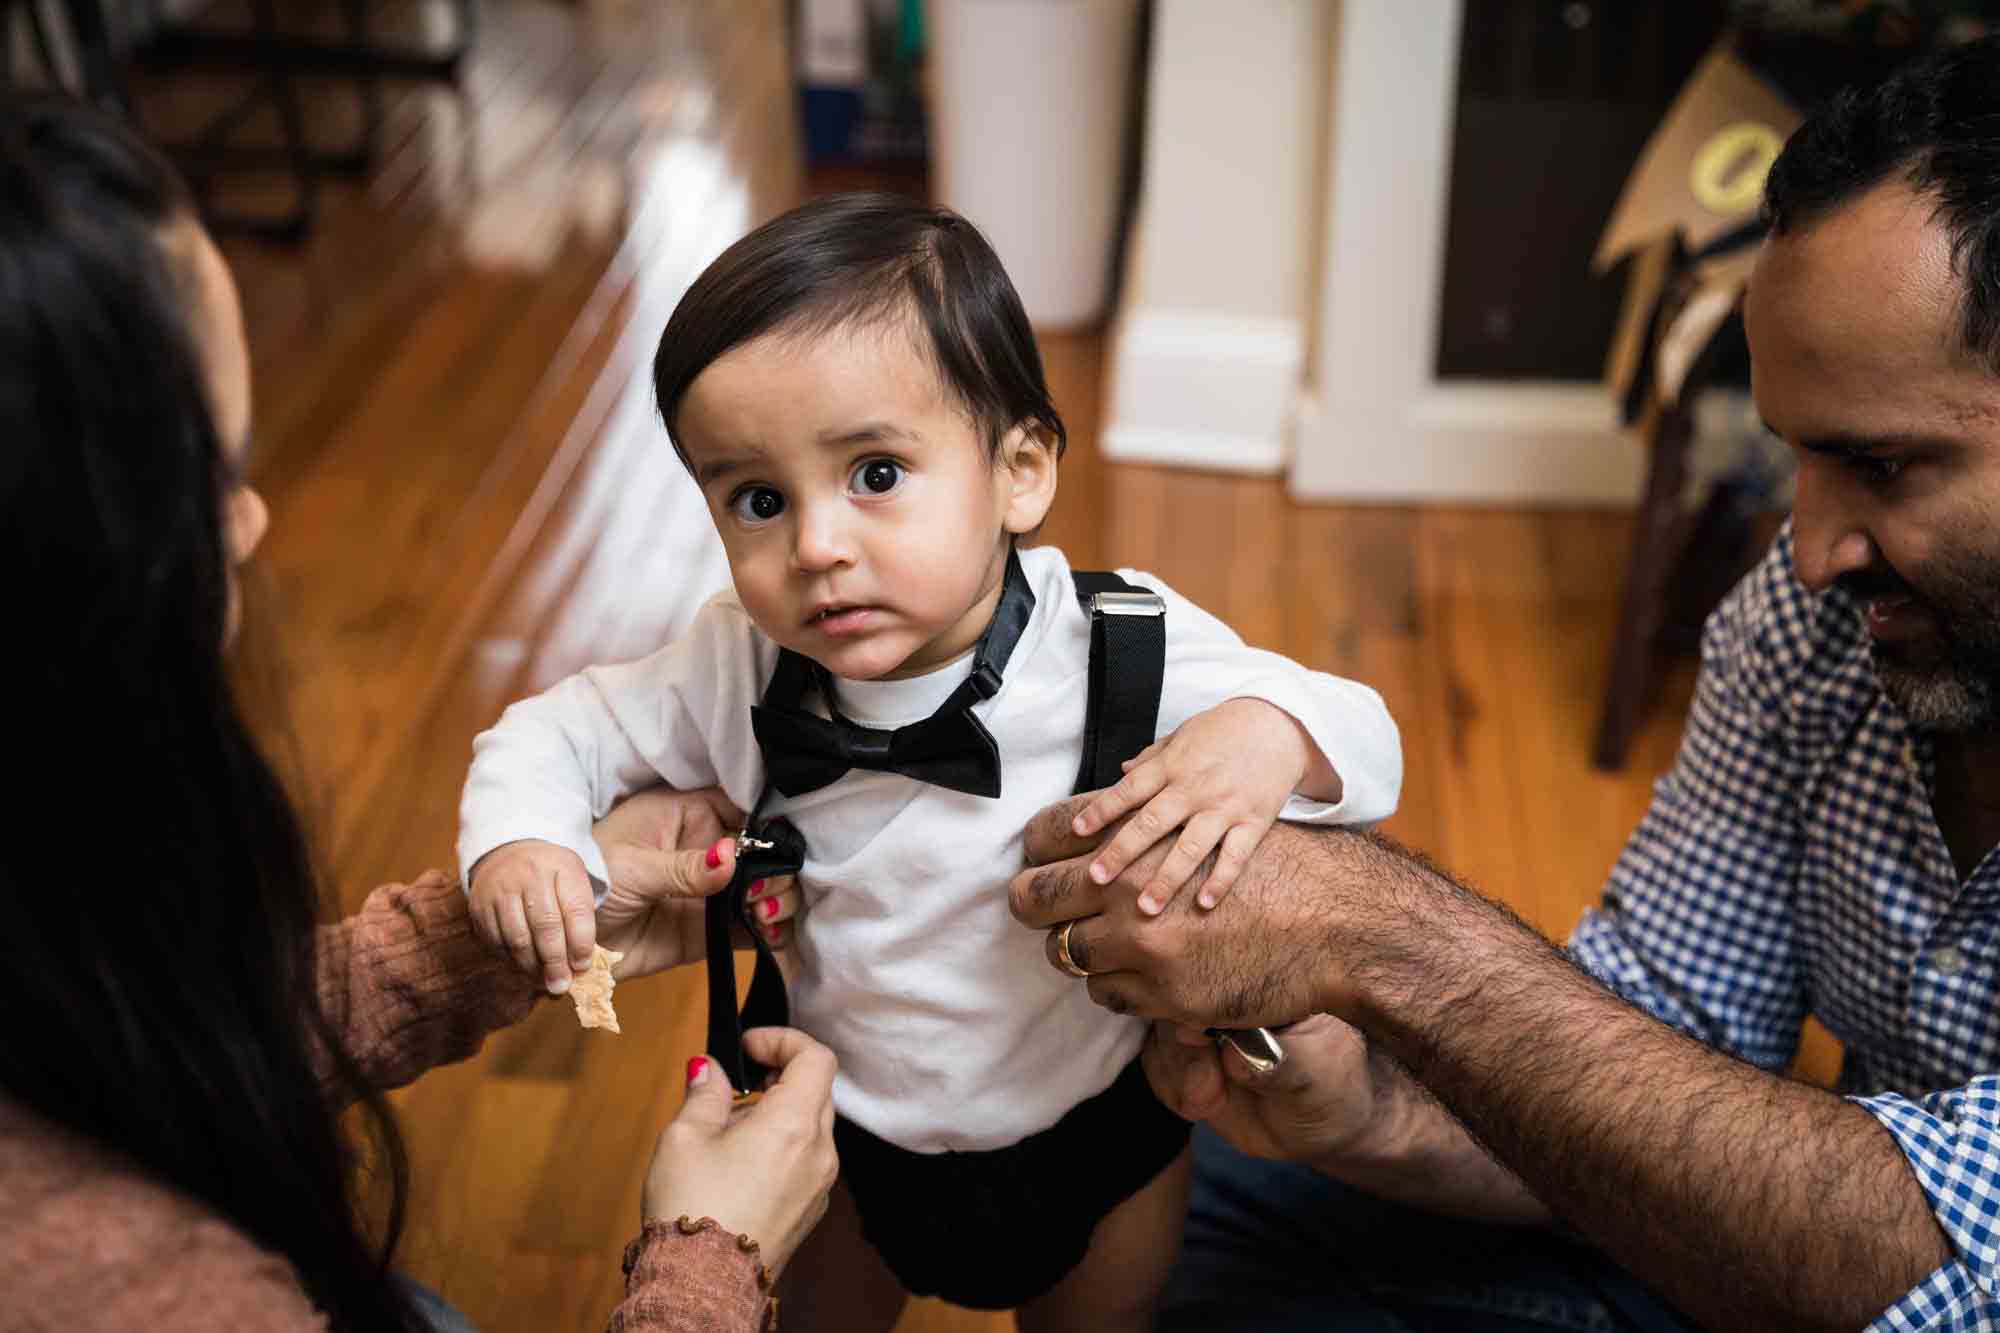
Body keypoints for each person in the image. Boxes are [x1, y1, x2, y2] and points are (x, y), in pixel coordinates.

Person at [1010, 37, 2000, 1333]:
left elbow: (1955, 1283)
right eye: (1798, 463)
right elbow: (1654, 1058)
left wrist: (1382, 936)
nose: (1809, 551)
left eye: (1882, 467)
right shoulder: (1816, 627)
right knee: (1175, 1172)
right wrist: (1363, 1110)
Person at [455, 193, 1404, 1330]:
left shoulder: (1119, 644)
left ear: (1019, 471)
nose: (816, 544)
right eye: (757, 499)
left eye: (874, 473)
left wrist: (1265, 732)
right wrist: (521, 838)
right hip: (838, 1135)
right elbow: (554, 729)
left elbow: (1363, 733)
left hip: (1096, 1125)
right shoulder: (735, 663)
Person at [0, 92, 833, 1333]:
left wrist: (499, 928)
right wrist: (709, 1264)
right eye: (214, 477)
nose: (253, 521)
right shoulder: (160, 1294)